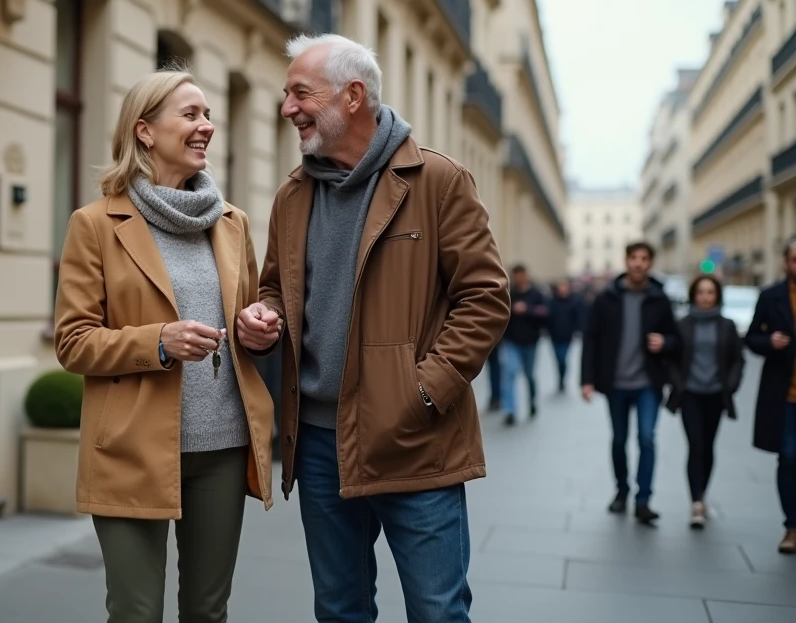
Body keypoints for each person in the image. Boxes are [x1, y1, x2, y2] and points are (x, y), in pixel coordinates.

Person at [236, 33, 510, 623]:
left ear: (352, 96)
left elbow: (485, 297)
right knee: (339, 609)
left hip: (413, 435)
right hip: (316, 444)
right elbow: (275, 288)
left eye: (300, 93)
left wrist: (424, 390)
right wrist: (266, 317)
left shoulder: (437, 181)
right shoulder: (293, 194)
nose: (287, 108)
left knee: (437, 610)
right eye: (287, 95)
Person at [54, 70, 277, 621]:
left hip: (222, 448)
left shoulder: (232, 224)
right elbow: (73, 341)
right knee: (135, 613)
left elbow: (249, 315)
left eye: (207, 115)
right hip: (131, 450)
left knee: (208, 611)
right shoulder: (96, 225)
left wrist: (257, 329)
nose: (207, 126)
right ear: (145, 131)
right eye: (191, 114)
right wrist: (159, 341)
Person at [581, 242, 679, 525]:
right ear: (626, 261)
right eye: (634, 258)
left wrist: (665, 342)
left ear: (650, 263)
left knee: (647, 438)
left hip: (648, 382)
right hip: (616, 383)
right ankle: (622, 490)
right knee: (620, 439)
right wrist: (587, 379)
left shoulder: (659, 299)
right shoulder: (607, 297)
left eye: (644, 258)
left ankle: (644, 499)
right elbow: (591, 339)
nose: (638, 263)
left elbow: (675, 338)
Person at [664, 275, 744, 529]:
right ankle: (696, 502)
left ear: (717, 295)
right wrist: (678, 384)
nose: (705, 297)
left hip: (716, 395)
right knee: (696, 445)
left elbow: (737, 360)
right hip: (690, 394)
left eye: (710, 292)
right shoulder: (682, 324)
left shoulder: (727, 326)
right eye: (701, 292)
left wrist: (729, 386)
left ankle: (703, 493)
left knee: (708, 447)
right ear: (693, 295)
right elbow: (671, 358)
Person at [743, 240, 796, 554]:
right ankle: (791, 526)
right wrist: (769, 341)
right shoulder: (770, 296)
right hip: (785, 394)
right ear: (785, 262)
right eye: (794, 259)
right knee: (789, 456)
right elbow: (751, 337)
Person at [501, 265, 549, 425]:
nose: (520, 278)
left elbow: (544, 313)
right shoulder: (509, 294)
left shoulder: (536, 294)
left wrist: (527, 310)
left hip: (531, 342)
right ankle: (510, 410)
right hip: (511, 341)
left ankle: (532, 401)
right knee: (510, 373)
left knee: (529, 375)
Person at [547, 278, 586, 393]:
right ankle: (560, 378)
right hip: (554, 335)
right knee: (558, 359)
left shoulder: (574, 301)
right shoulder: (552, 302)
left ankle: (562, 379)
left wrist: (578, 330)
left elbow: (579, 317)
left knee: (563, 358)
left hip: (567, 336)